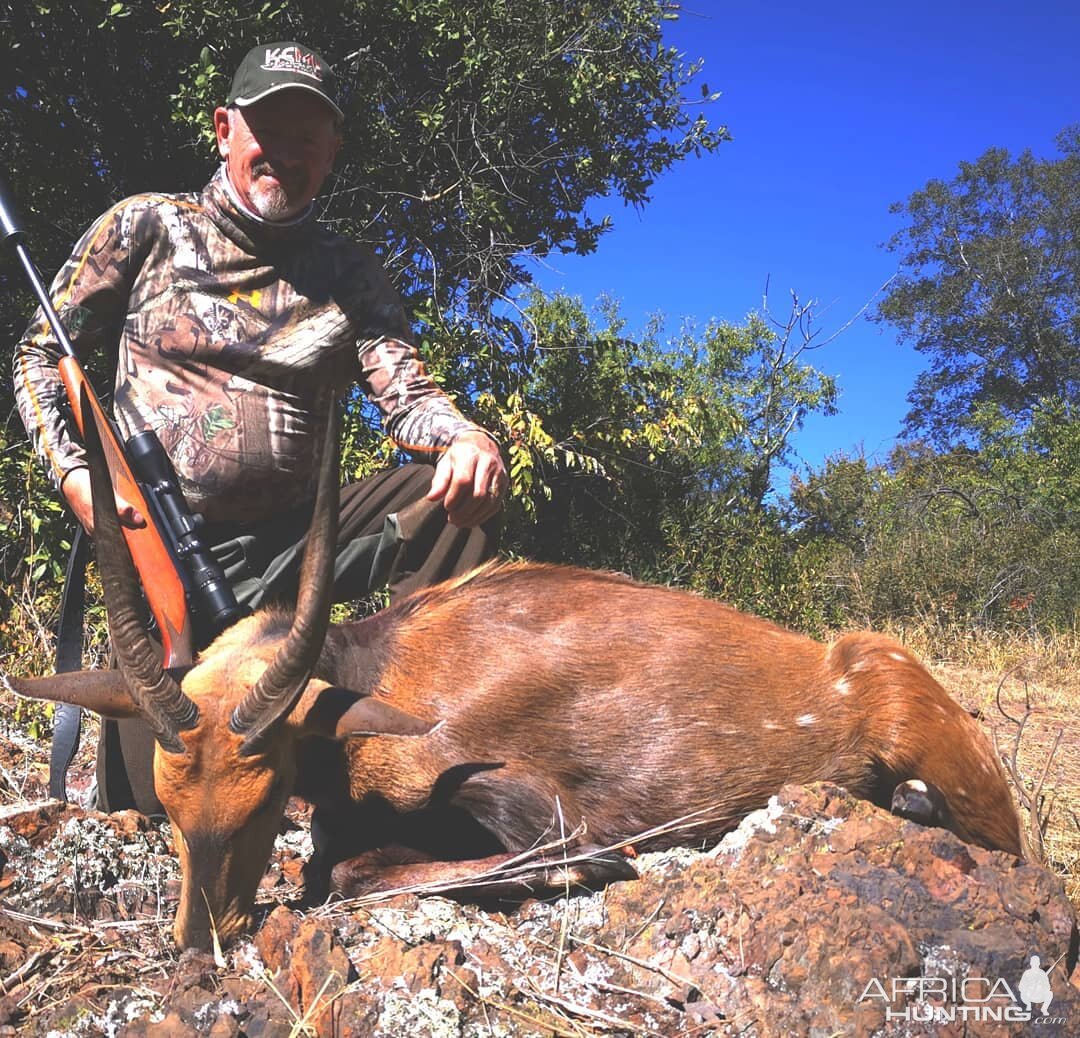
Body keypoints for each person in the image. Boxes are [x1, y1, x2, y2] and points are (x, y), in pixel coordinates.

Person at [13, 41, 507, 813]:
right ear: (224, 131)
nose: (286, 153)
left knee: (450, 499)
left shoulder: (347, 269)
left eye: (308, 136)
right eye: (268, 130)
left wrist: (467, 439)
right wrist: (80, 482)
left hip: (297, 549)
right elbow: (42, 356)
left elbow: (408, 395)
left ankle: (427, 756)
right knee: (158, 806)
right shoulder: (146, 227)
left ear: (333, 151)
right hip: (157, 550)